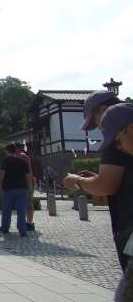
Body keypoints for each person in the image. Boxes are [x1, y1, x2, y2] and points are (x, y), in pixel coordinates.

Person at [63, 103, 133, 301]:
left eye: (118, 140)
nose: (118, 146)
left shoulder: (117, 150)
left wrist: (78, 182)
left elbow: (105, 185)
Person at [0, 143, 31, 237]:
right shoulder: (23, 162)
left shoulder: (5, 161)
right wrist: (29, 189)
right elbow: (28, 176)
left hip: (8, 189)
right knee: (21, 210)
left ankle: (5, 228)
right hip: (22, 189)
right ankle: (22, 230)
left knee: (6, 210)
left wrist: (0, 188)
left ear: (7, 151)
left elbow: (1, 175)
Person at [14, 143, 36, 232]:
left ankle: (29, 223)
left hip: (26, 182)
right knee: (25, 204)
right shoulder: (18, 156)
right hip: (23, 182)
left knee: (28, 203)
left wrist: (30, 184)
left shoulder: (23, 157)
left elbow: (29, 171)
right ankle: (26, 222)